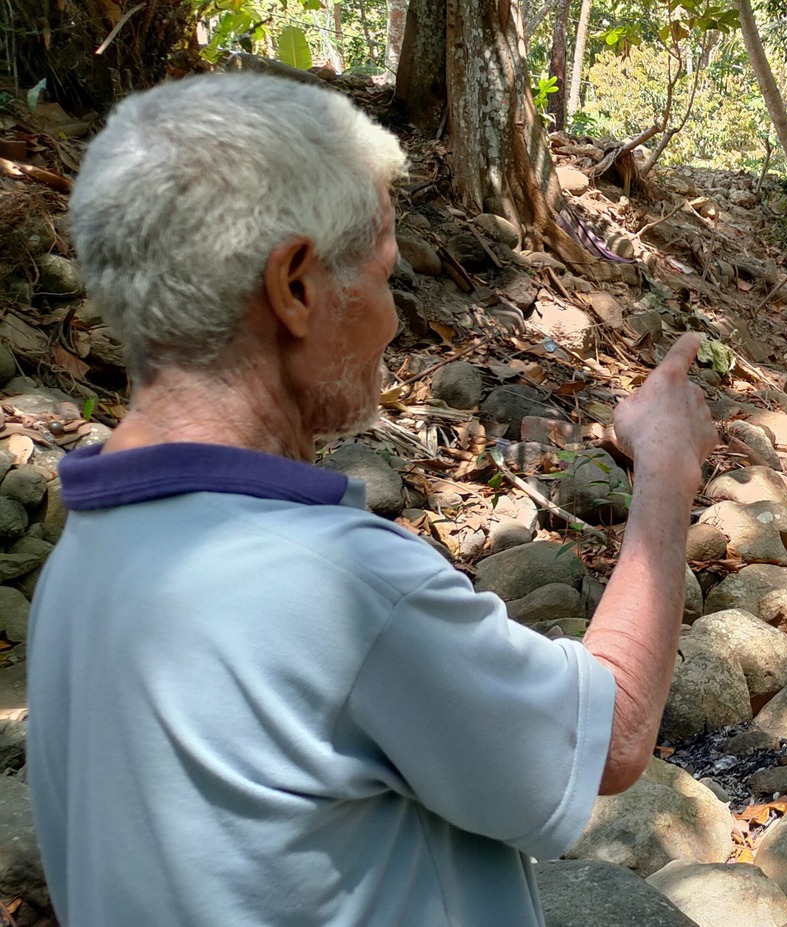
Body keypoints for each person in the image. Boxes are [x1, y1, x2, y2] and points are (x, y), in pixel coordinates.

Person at [26, 72, 717, 926]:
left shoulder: (77, 568)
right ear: (296, 287)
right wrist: (664, 473)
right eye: (384, 274)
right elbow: (608, 738)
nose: (394, 320)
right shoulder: (335, 585)